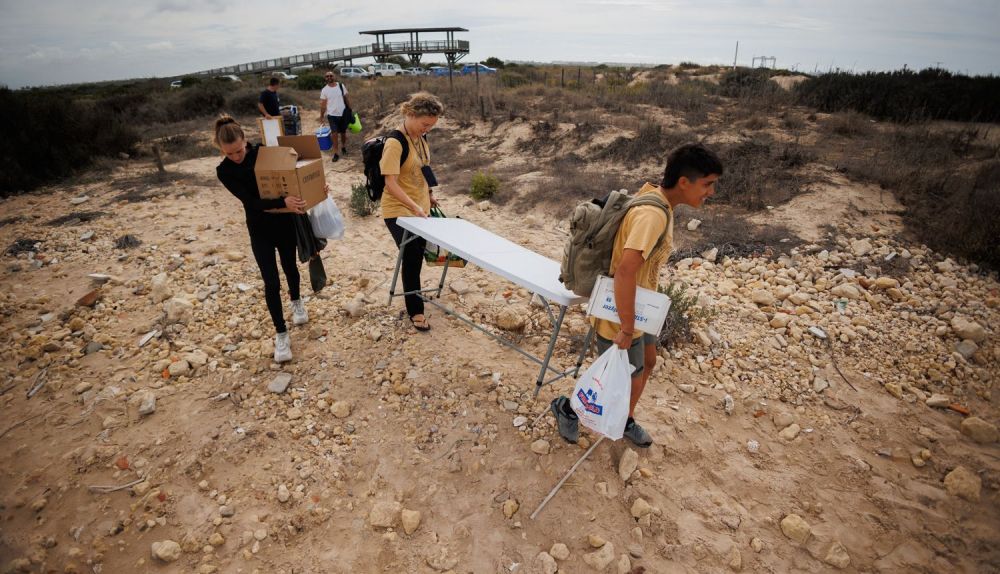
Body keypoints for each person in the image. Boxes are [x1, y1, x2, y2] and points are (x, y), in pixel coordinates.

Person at [551, 143, 724, 447]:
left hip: (643, 308)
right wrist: (627, 328)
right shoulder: (652, 215)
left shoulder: (657, 200)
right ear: (684, 182)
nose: (710, 192)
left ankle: (622, 419)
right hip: (622, 313)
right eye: (707, 184)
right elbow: (625, 272)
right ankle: (569, 410)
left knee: (647, 361)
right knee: (620, 379)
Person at [214, 115, 310, 363]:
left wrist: (310, 188)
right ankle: (281, 334)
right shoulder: (224, 171)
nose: (236, 156)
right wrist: (283, 202)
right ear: (221, 150)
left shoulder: (264, 152)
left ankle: (297, 302)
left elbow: (293, 172)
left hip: (284, 223)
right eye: (230, 153)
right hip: (259, 229)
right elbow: (252, 202)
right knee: (270, 282)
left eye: (239, 150)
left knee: (290, 267)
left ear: (245, 140)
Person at [380, 92, 445, 332]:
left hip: (419, 208)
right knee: (411, 256)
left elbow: (423, 168)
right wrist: (414, 206)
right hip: (398, 210)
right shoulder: (395, 143)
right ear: (410, 114)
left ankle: (414, 297)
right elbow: (391, 183)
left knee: (420, 254)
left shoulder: (420, 137)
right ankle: (416, 310)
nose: (427, 129)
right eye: (424, 124)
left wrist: (428, 196)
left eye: (431, 126)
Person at [319, 70, 352, 161]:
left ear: (334, 77)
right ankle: (336, 153)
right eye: (327, 76)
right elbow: (323, 105)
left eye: (331, 76)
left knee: (343, 133)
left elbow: (346, 98)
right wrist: (321, 116)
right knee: (334, 134)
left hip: (343, 114)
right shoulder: (324, 90)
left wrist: (350, 110)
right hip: (332, 115)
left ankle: (344, 147)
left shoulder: (341, 86)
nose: (329, 77)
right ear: (325, 78)